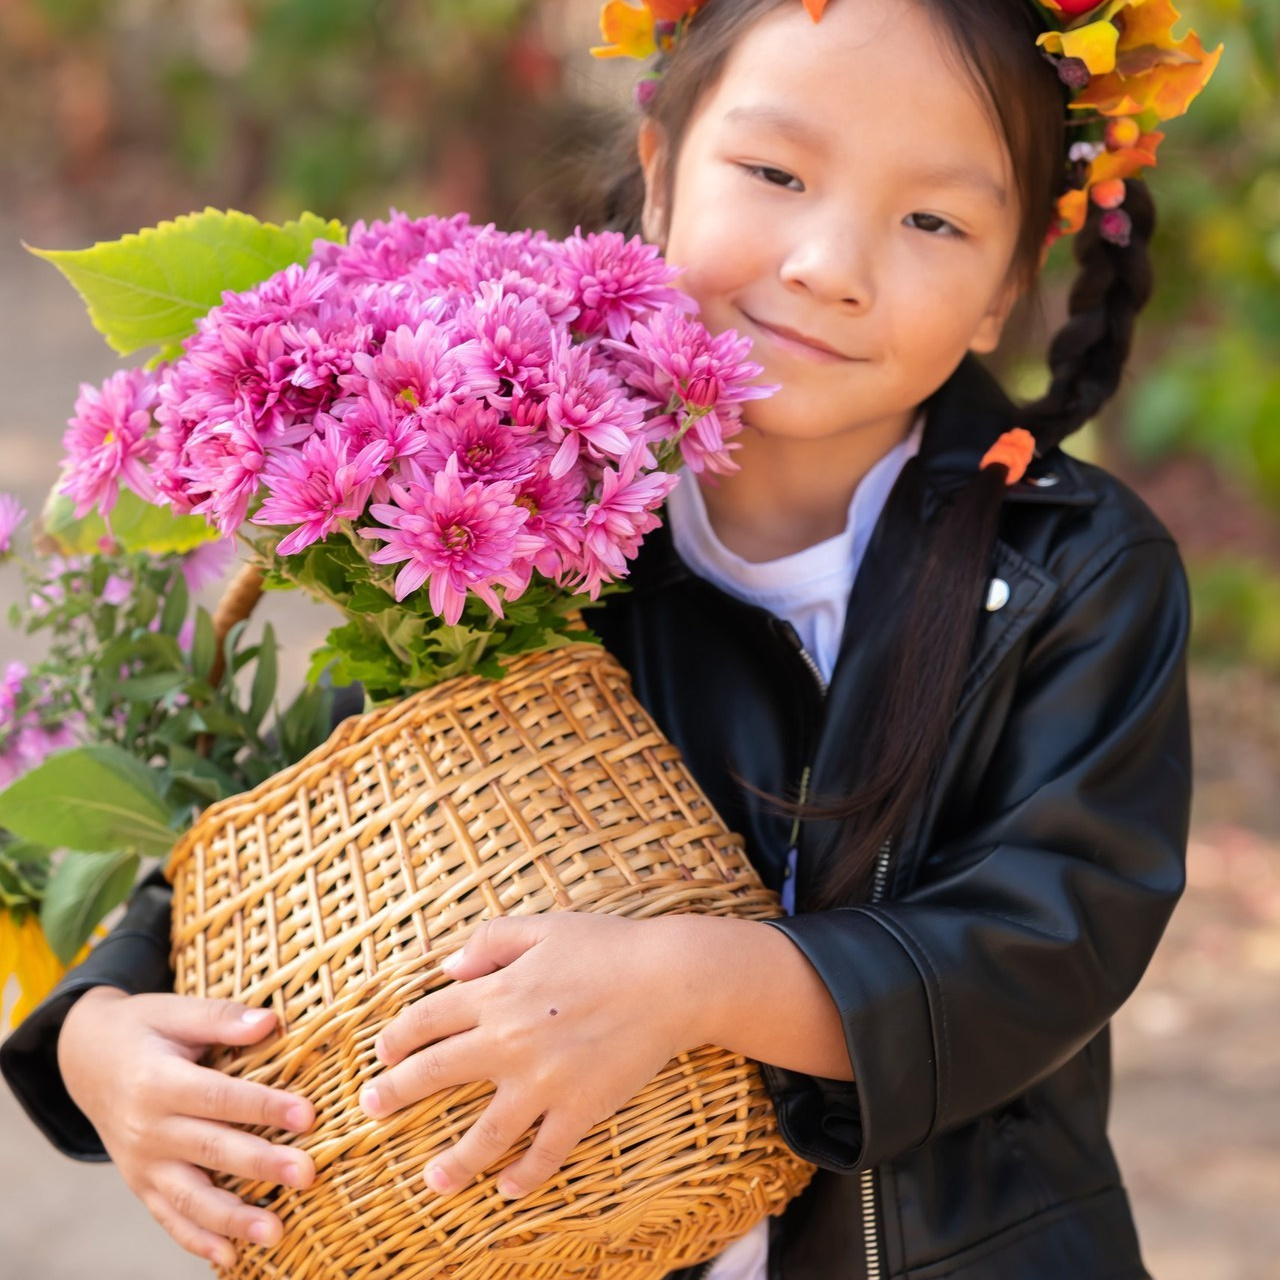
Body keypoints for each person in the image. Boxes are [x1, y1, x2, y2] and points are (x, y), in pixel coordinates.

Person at [2, 0, 1219, 1276]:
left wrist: (697, 977)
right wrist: (101, 1027)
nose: (827, 261)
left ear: (1007, 284)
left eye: (932, 220)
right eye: (774, 171)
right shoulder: (535, 510)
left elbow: (1047, 938)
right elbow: (318, 793)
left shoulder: (1076, 572)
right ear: (657, 180)